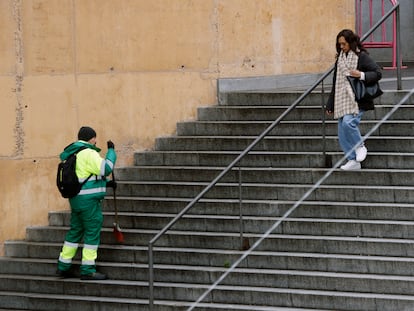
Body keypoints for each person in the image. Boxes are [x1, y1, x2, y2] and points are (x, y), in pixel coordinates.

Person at [56, 126, 117, 280]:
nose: (96, 141)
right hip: (89, 202)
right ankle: (88, 269)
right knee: (91, 232)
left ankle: (63, 266)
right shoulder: (89, 153)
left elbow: (86, 177)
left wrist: (107, 184)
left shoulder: (73, 153)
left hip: (76, 199)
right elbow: (106, 168)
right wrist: (111, 151)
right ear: (92, 138)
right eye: (95, 138)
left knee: (75, 231)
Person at [326, 29, 382, 170]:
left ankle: (360, 146)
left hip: (357, 98)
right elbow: (335, 83)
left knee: (348, 123)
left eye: (344, 44)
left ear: (351, 43)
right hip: (341, 99)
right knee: (342, 132)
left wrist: (361, 75)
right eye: (339, 44)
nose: (341, 47)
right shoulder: (340, 59)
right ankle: (353, 161)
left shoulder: (361, 57)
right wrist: (330, 103)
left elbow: (377, 72)